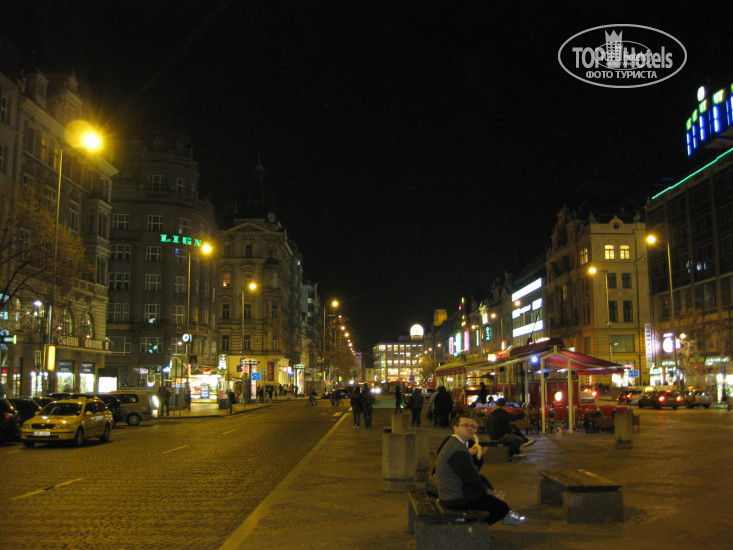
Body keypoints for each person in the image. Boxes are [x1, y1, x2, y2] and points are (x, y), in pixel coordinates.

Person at [436, 412, 525, 526]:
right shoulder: (457, 449)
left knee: (492, 500)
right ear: (455, 428)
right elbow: (470, 478)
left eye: (474, 427)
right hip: (455, 498)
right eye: (466, 425)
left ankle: (474, 524)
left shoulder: (455, 444)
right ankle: (471, 527)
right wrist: (487, 491)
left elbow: (472, 472)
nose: (470, 429)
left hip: (452, 494)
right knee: (499, 507)